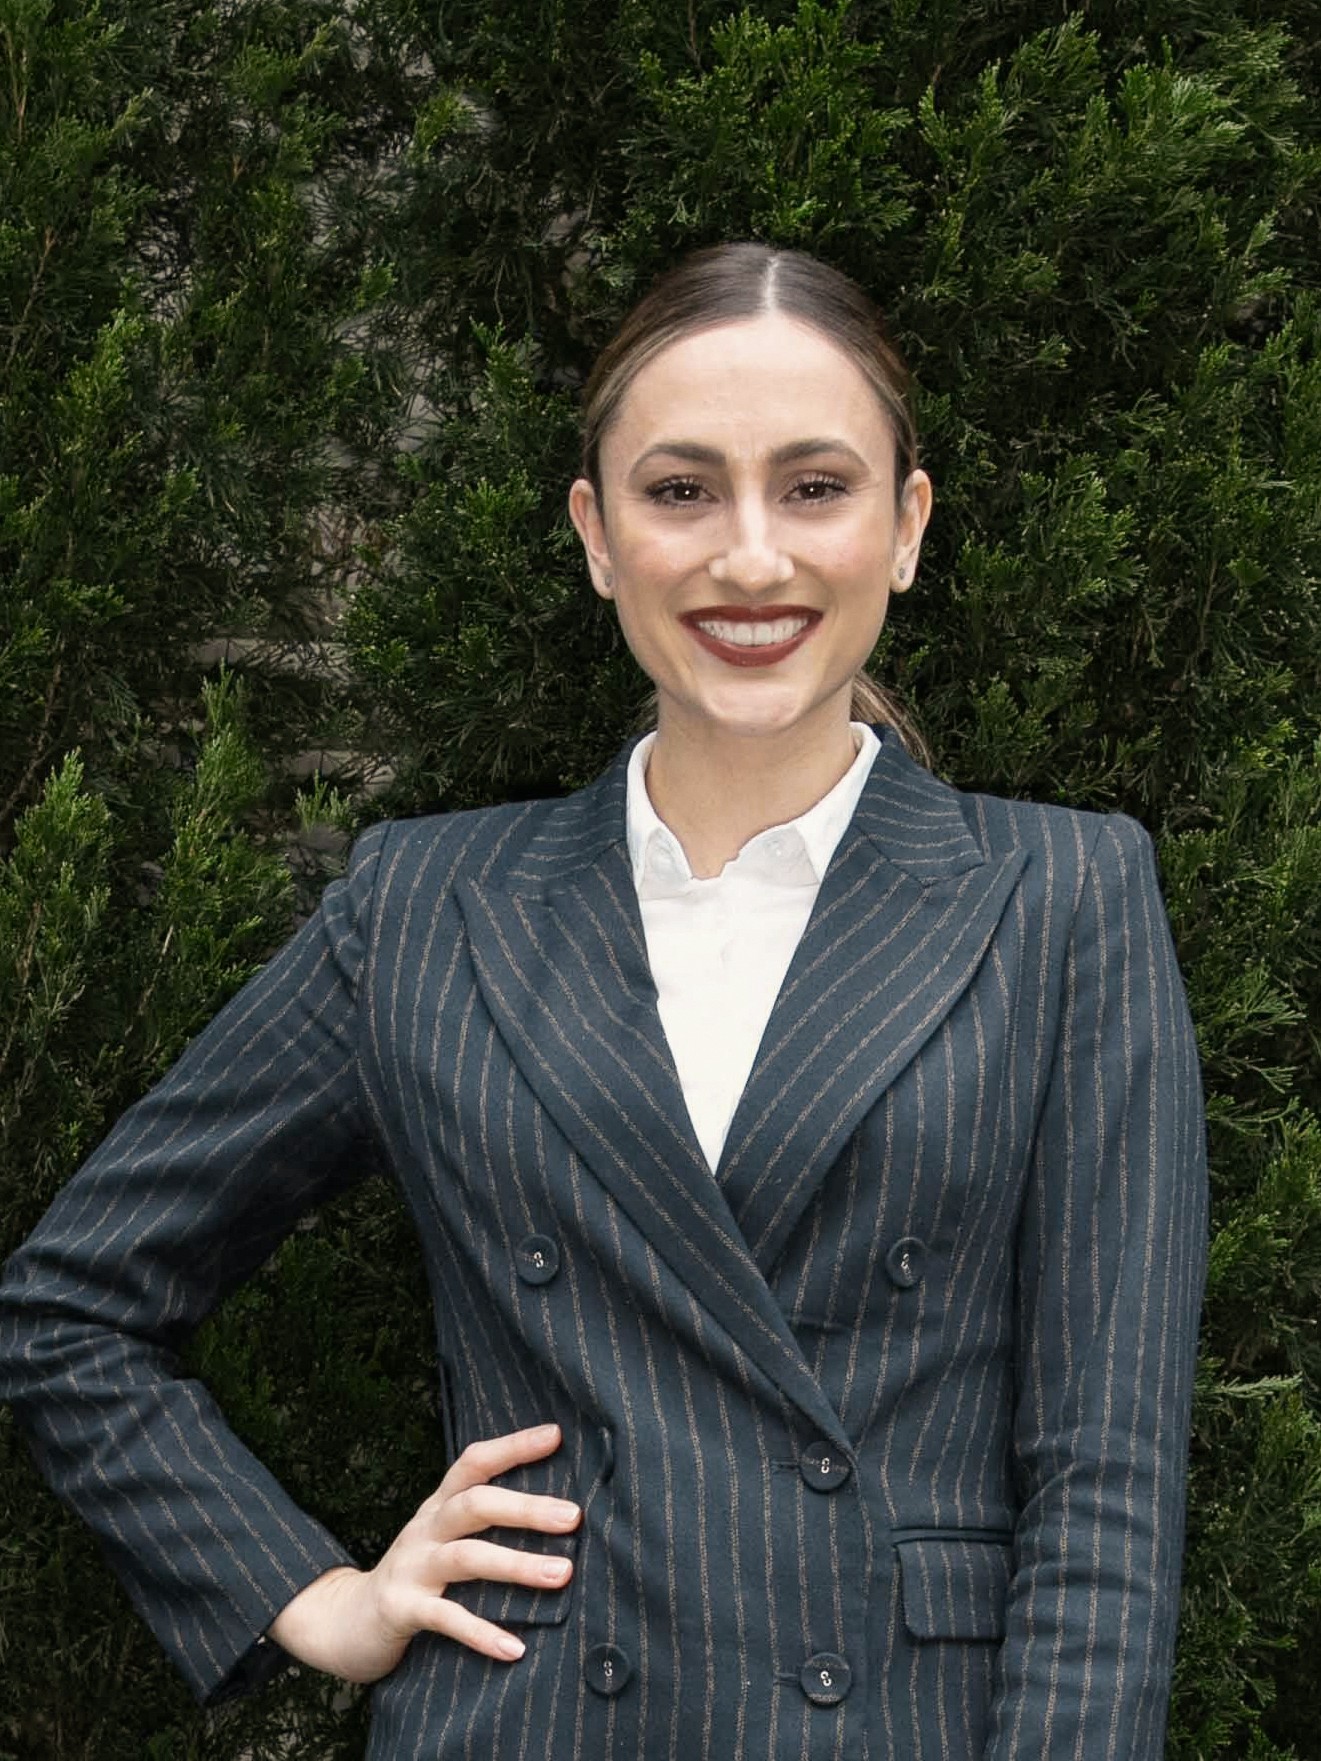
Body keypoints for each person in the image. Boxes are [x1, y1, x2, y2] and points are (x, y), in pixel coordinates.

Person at [0, 241, 1209, 1759]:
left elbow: (1103, 1481)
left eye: (815, 488)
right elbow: (74, 1306)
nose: (750, 559)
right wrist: (314, 1595)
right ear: (595, 533)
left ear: (904, 528)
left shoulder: (1065, 896)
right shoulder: (425, 906)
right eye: (681, 489)